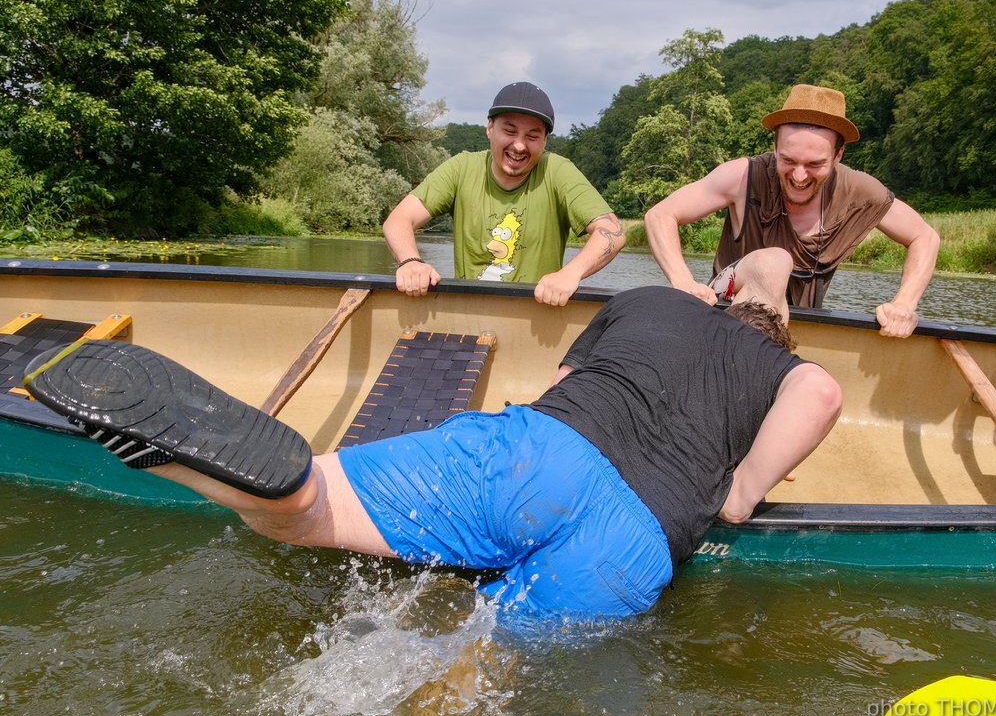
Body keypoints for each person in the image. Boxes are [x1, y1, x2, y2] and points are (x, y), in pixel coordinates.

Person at [23, 287, 842, 620]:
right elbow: (823, 398)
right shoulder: (782, 373)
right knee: (478, 677)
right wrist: (739, 488)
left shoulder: (649, 299)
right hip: (636, 540)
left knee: (309, 509)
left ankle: (183, 459)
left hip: (540, 457)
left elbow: (559, 380)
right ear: (769, 342)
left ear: (721, 301)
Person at [643, 84, 940, 336]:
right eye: (788, 160)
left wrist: (904, 303)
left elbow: (924, 237)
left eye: (814, 165)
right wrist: (682, 281)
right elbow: (660, 215)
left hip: (794, 326)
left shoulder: (861, 192)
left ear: (838, 154)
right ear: (775, 147)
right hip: (723, 312)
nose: (799, 176)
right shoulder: (742, 177)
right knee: (775, 262)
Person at [383, 81, 624, 306]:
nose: (519, 145)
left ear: (545, 140)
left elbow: (612, 231)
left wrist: (570, 274)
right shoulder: (461, 168)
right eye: (509, 131)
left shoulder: (557, 170)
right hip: (467, 318)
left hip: (537, 318)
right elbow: (399, 219)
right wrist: (410, 262)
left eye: (532, 136)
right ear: (490, 128)